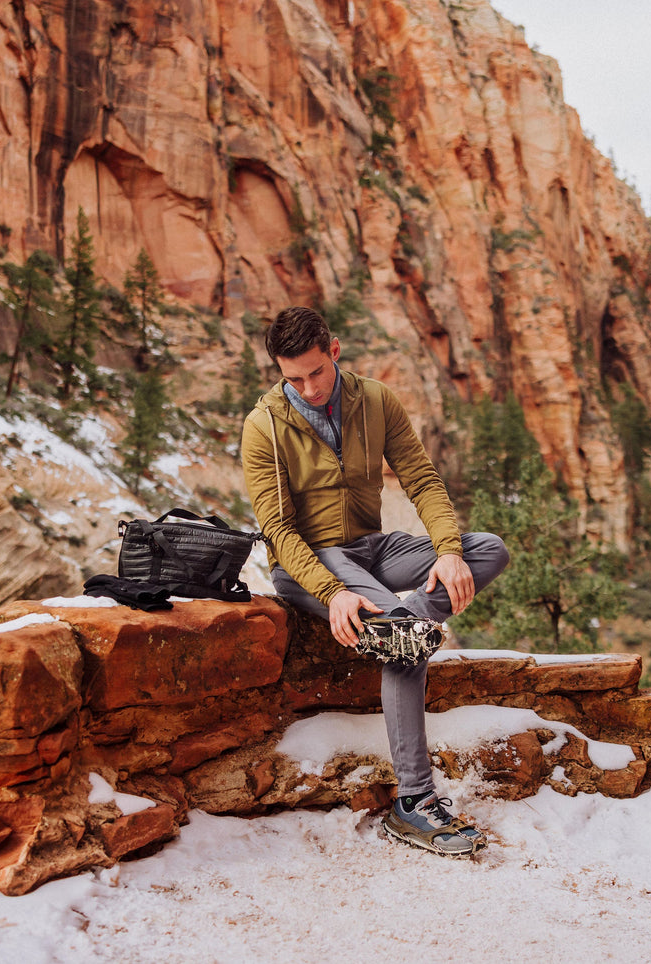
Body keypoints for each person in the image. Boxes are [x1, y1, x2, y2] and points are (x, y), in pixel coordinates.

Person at [240, 306, 510, 857]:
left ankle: (403, 621)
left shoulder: (377, 400)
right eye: (293, 378)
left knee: (489, 549)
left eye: (316, 372)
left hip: (373, 548)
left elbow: (423, 480)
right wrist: (335, 592)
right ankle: (413, 802)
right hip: (309, 563)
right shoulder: (262, 426)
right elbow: (278, 531)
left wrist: (451, 552)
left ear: (334, 351)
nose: (308, 388)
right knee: (404, 649)